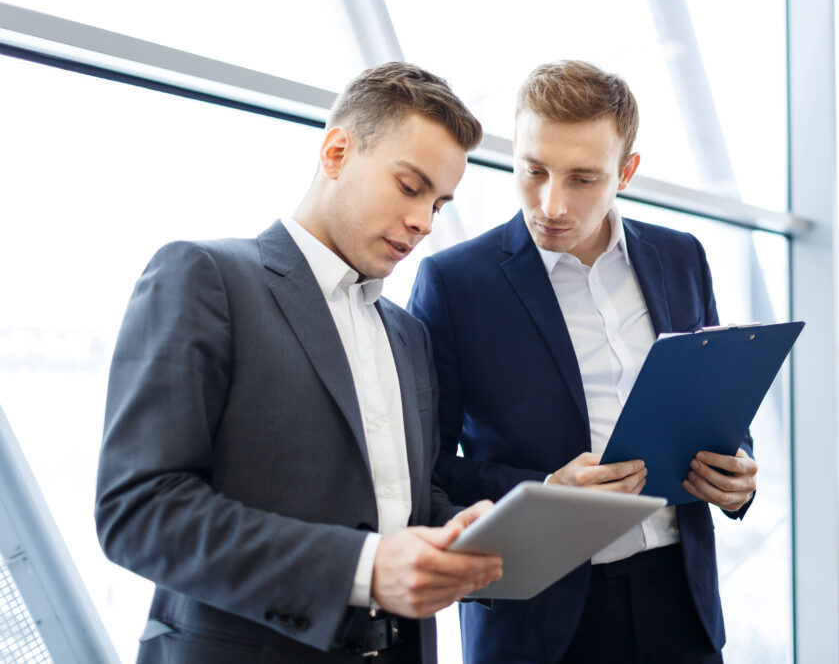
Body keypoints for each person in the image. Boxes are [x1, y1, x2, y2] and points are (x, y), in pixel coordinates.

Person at [95, 62, 502, 664]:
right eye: (410, 187)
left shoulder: (408, 335)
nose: (423, 222)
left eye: (439, 205)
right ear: (336, 152)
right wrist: (362, 569)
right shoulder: (206, 277)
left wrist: (461, 530)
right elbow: (139, 510)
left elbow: (401, 501)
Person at [407, 60, 758, 664]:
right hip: (537, 620)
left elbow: (715, 413)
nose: (552, 204)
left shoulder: (682, 258)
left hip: (680, 601)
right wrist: (545, 491)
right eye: (534, 170)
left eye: (583, 179)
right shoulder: (453, 283)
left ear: (627, 173)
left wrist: (737, 475)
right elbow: (426, 469)